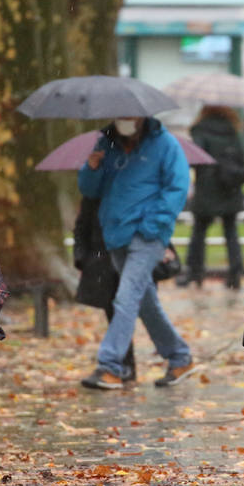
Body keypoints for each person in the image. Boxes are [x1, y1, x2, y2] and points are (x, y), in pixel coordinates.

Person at [78, 116, 199, 390]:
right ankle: (180, 357)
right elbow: (90, 190)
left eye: (130, 116)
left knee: (126, 297)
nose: (125, 121)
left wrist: (154, 226)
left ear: (143, 116)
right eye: (121, 116)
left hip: (148, 236)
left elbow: (178, 187)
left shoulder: (165, 144)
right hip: (115, 234)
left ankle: (110, 366)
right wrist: (91, 168)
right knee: (145, 302)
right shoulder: (106, 144)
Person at [180, 105, 244, 289]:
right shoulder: (233, 130)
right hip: (229, 187)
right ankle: (235, 274)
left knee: (199, 232)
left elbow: (196, 158)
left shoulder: (201, 129)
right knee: (231, 232)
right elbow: (242, 159)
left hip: (207, 189)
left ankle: (195, 273)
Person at [73, 195, 137, 386]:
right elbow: (82, 224)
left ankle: (176, 355)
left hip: (130, 253)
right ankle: (122, 365)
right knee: (115, 309)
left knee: (131, 309)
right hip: (103, 257)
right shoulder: (95, 191)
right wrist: (81, 257)